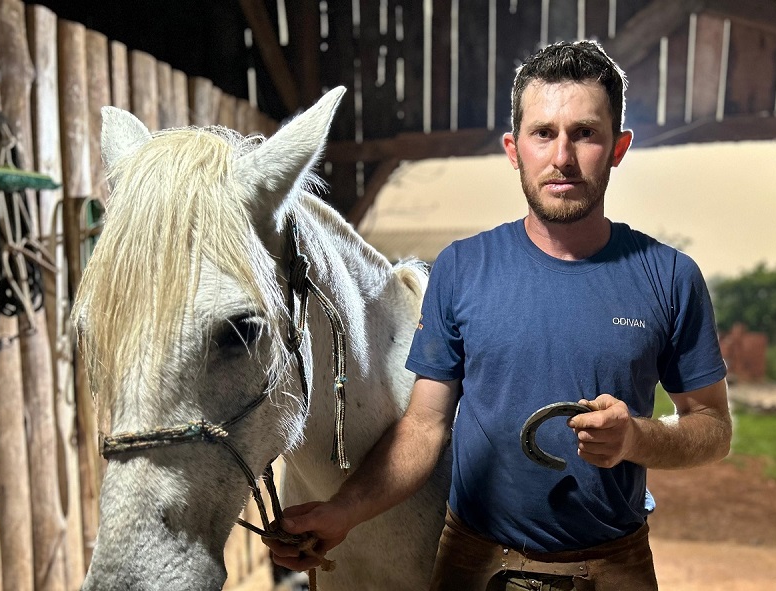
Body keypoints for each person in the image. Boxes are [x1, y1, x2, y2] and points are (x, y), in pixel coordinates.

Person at [268, 39, 732, 590]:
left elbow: (713, 428)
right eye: (544, 134)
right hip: (475, 562)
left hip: (615, 565)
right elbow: (424, 426)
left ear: (618, 147)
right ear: (515, 149)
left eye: (585, 133)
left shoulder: (670, 277)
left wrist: (634, 438)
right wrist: (340, 513)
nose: (562, 157)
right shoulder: (463, 269)